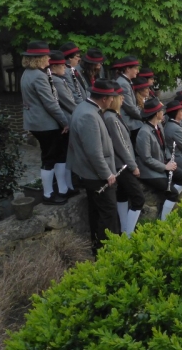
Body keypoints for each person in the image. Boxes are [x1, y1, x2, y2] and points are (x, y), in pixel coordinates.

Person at [67, 79, 120, 254]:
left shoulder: (84, 107)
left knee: (97, 212)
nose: (113, 100)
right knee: (108, 214)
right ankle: (107, 252)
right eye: (111, 97)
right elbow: (94, 152)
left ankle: (98, 249)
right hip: (96, 176)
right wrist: (107, 174)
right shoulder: (88, 115)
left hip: (91, 173)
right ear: (104, 99)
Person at [20, 41, 70, 205]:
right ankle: (48, 194)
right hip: (46, 124)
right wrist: (64, 122)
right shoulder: (39, 76)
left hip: (36, 122)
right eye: (46, 56)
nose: (49, 58)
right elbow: (50, 104)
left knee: (58, 155)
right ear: (39, 58)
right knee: (50, 158)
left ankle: (62, 189)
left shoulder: (27, 73)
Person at [135, 98, 182, 221]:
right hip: (149, 171)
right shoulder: (144, 132)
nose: (163, 112)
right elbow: (146, 159)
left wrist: (170, 160)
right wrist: (165, 167)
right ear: (156, 114)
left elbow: (165, 148)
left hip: (162, 164)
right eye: (161, 110)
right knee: (173, 193)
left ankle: (166, 202)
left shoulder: (159, 125)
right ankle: (164, 220)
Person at [102, 82, 144, 236]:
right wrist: (133, 166)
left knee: (123, 194)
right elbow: (120, 145)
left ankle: (124, 229)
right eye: (120, 96)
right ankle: (129, 234)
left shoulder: (113, 116)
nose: (123, 99)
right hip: (122, 165)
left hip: (122, 163)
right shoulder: (111, 118)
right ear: (113, 99)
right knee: (138, 198)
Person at [48, 50, 78, 195]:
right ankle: (66, 186)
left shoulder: (60, 79)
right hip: (65, 120)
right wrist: (80, 113)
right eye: (62, 65)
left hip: (68, 118)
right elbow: (68, 102)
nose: (65, 67)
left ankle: (68, 185)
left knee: (67, 154)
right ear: (54, 67)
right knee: (65, 155)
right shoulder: (56, 81)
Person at [113, 56, 144, 146]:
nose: (138, 71)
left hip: (131, 118)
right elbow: (130, 108)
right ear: (127, 69)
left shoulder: (126, 82)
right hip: (128, 122)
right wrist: (145, 117)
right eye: (136, 68)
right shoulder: (123, 83)